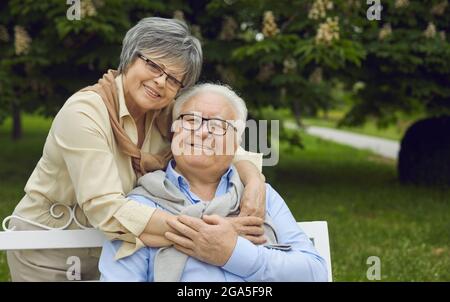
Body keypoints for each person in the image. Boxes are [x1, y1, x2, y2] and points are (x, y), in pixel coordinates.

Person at [6, 17, 266, 281]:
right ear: (129, 58)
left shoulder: (167, 114)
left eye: (174, 79)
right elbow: (106, 209)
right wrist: (206, 233)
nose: (160, 82)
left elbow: (222, 144)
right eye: (153, 65)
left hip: (114, 247)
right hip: (49, 247)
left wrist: (255, 181)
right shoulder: (84, 113)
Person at [99, 84, 328, 282]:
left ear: (236, 141)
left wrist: (233, 253)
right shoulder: (141, 207)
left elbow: (315, 272)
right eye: (190, 121)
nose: (201, 133)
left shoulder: (258, 197)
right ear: (173, 131)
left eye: (217, 126)